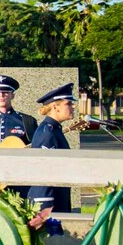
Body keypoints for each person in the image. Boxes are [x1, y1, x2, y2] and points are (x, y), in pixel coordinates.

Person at [27, 82, 79, 226]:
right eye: (68, 103)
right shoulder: (47, 133)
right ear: (55, 106)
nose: (73, 107)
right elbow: (46, 171)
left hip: (56, 196)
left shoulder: (54, 129)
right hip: (48, 200)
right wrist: (45, 205)